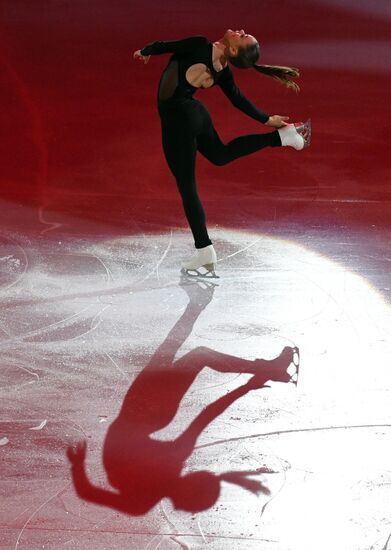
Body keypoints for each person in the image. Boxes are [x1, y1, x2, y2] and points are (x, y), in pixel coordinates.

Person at [133, 29, 310, 276]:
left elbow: (166, 45)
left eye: (242, 36)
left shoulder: (199, 44)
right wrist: (267, 120)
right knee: (220, 155)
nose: (240, 31)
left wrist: (146, 50)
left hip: (179, 121)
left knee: (187, 186)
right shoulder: (222, 70)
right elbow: (237, 99)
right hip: (196, 114)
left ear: (233, 50)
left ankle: (204, 248)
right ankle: (280, 137)